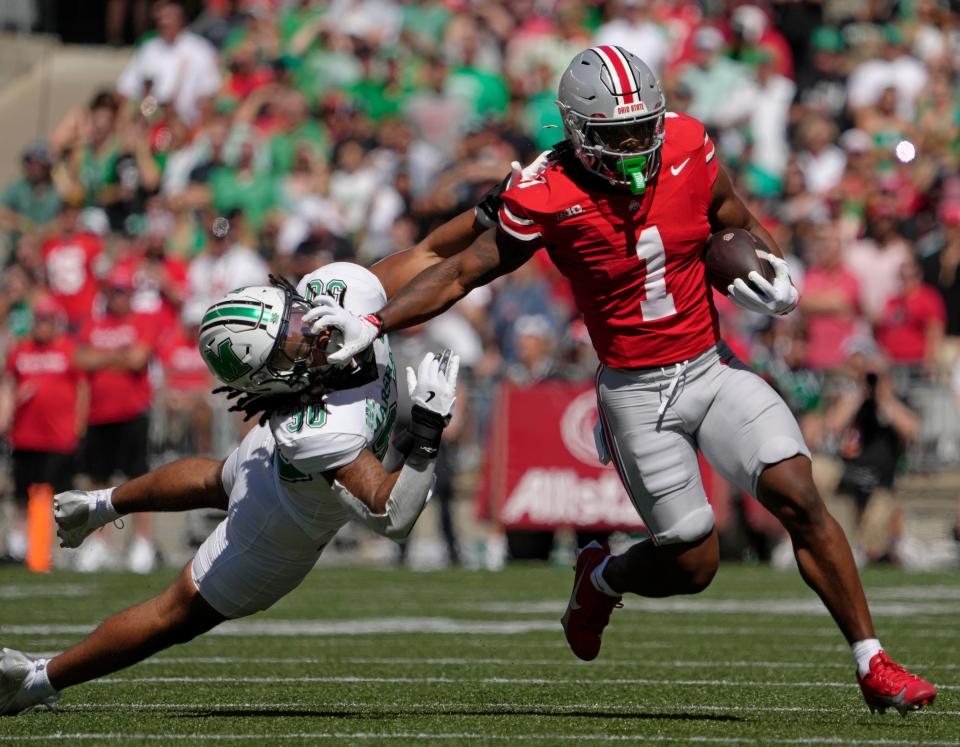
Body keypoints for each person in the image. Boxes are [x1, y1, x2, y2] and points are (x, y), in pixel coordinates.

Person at [311, 46, 937, 714]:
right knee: (693, 562)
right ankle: (602, 577)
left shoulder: (691, 144)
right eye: (619, 136)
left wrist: (772, 268)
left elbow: (733, 217)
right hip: (636, 391)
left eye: (645, 128)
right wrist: (378, 321)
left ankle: (873, 661)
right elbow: (464, 271)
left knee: (798, 493)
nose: (638, 147)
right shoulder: (545, 191)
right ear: (578, 132)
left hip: (710, 364)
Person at [0, 262, 460, 716]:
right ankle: (37, 680)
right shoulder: (311, 429)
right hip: (277, 530)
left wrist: (503, 213)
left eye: (295, 320)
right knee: (172, 615)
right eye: (288, 348)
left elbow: (441, 252)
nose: (309, 336)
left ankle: (102, 503)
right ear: (270, 379)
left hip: (267, 463)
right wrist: (426, 431)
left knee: (218, 475)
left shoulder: (343, 291)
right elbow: (393, 516)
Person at [73, 267, 159, 573]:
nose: (118, 297)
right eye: (114, 290)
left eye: (123, 291)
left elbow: (138, 358)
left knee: (138, 480)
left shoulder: (141, 321)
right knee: (98, 483)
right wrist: (117, 355)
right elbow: (81, 358)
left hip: (132, 412)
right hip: (99, 414)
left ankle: (142, 542)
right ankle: (99, 542)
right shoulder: (93, 324)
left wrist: (103, 357)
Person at [0, 296, 86, 562]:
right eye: (39, 320)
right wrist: (6, 416)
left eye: (47, 320)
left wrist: (78, 424)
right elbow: (8, 386)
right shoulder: (21, 351)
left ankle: (64, 546)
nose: (42, 326)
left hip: (58, 437)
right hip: (26, 436)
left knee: (60, 496)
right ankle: (19, 544)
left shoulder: (68, 350)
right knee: (21, 493)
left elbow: (83, 388)